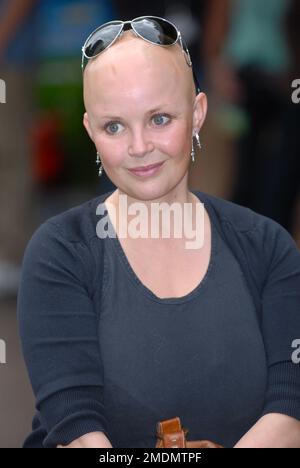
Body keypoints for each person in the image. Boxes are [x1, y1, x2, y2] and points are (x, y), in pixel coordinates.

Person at [17, 17, 300, 448]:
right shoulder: (61, 253)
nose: (138, 147)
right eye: (114, 126)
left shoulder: (267, 247)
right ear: (91, 131)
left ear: (198, 114)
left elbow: (291, 408)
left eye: (160, 119)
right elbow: (76, 428)